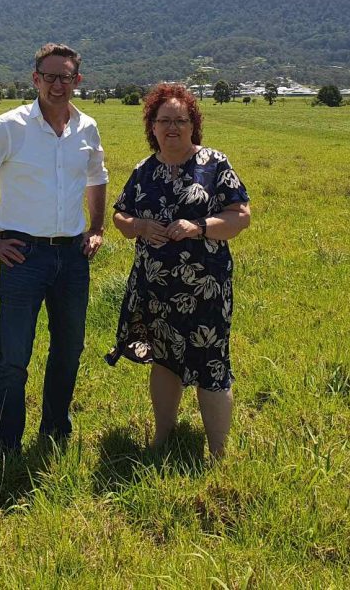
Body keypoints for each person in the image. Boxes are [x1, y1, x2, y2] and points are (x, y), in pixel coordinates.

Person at [0, 43, 108, 455]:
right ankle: (6, 446)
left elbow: (97, 177)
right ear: (35, 79)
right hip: (24, 256)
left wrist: (96, 227)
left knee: (69, 348)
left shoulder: (86, 127)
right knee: (14, 357)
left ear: (78, 80)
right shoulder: (7, 127)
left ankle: (55, 432)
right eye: (50, 76)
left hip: (73, 257)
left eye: (66, 77)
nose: (58, 85)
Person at [107, 83, 251, 459]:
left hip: (206, 288)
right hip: (155, 286)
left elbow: (240, 216)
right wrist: (137, 226)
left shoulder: (215, 164)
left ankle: (218, 452)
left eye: (180, 120)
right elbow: (120, 214)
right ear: (152, 127)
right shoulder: (144, 170)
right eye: (164, 120)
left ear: (193, 125)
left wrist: (199, 226)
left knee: (211, 363)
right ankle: (162, 437)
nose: (172, 127)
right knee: (165, 360)